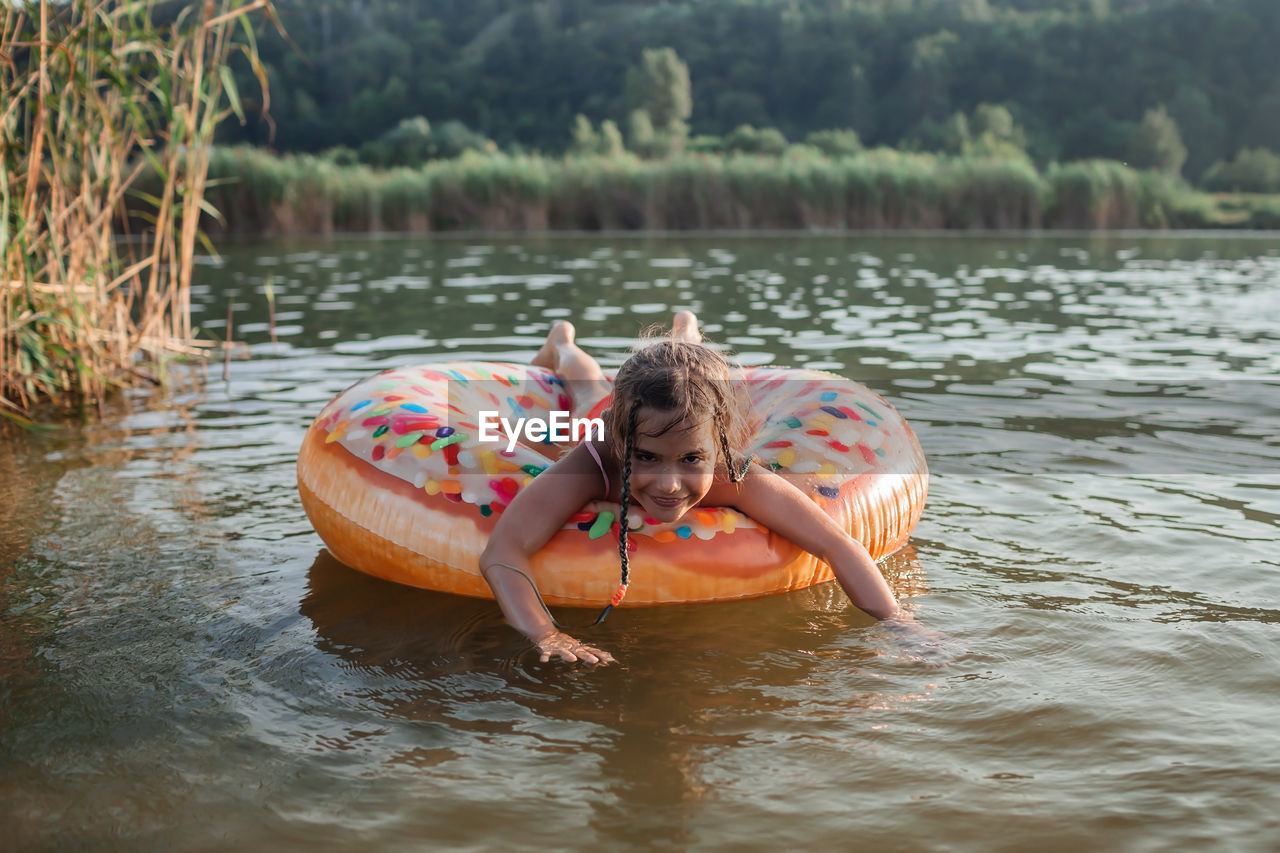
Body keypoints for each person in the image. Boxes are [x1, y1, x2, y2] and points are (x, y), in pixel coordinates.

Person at [478, 311, 942, 665]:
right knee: (584, 387)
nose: (669, 483)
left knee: (683, 380)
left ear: (718, 447)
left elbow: (837, 544)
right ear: (623, 445)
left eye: (691, 460)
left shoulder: (733, 473)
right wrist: (546, 634)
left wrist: (900, 624)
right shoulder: (598, 456)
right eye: (646, 458)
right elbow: (502, 552)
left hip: (680, 411)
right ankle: (562, 344)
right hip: (607, 410)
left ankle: (686, 336)